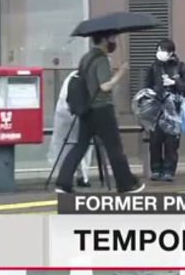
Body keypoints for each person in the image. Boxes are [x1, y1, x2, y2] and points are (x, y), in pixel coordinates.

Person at [55, 33, 144, 194]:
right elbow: (104, 86)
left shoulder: (86, 58)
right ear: (103, 39)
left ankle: (63, 183)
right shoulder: (101, 59)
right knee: (114, 148)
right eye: (112, 38)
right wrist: (121, 73)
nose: (113, 42)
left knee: (80, 146)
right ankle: (126, 184)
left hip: (87, 110)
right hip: (102, 109)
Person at [143, 39, 185, 182]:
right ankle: (156, 169)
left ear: (171, 53)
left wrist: (174, 82)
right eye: (158, 50)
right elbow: (146, 86)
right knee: (155, 141)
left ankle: (169, 170)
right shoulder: (154, 67)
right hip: (157, 109)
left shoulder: (180, 67)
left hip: (174, 109)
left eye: (163, 50)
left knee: (171, 141)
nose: (159, 53)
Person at [48, 71, 93, 188]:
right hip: (80, 114)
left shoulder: (73, 76)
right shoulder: (89, 76)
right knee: (83, 145)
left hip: (66, 113)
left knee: (64, 146)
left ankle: (64, 175)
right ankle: (82, 176)